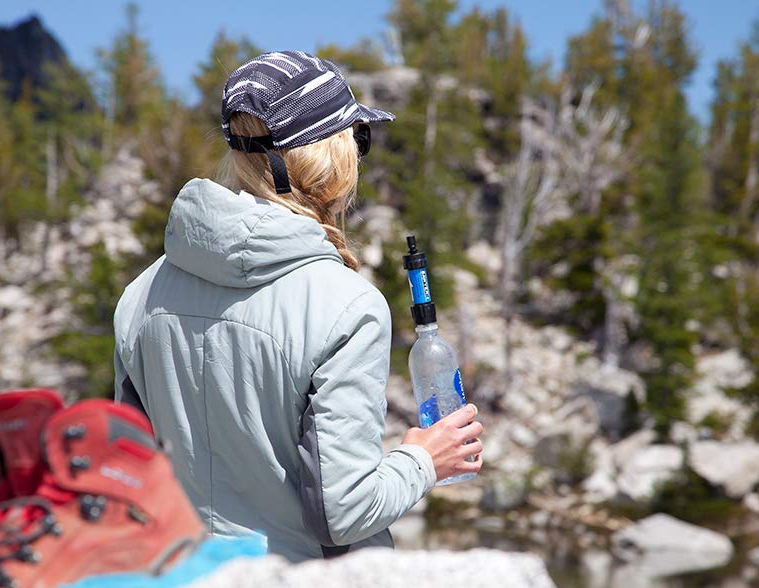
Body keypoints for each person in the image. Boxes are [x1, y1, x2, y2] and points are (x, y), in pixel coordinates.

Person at [113, 51, 483, 562]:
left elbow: (130, 477)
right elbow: (344, 513)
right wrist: (423, 459)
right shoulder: (348, 308)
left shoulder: (140, 293)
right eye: (358, 140)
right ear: (333, 158)